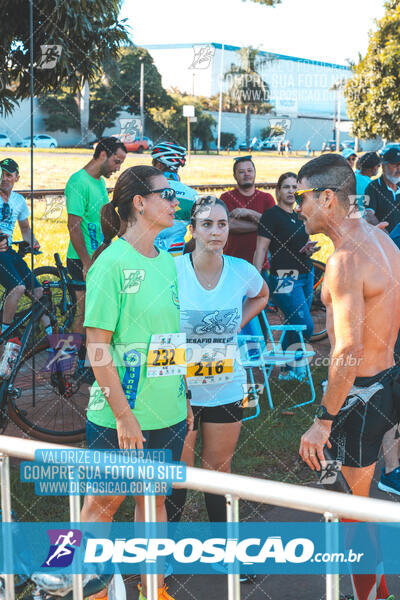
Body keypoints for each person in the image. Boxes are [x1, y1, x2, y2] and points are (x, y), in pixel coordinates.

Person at [86, 165, 192, 600]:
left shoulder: (167, 261)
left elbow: (170, 338)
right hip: (119, 416)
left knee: (154, 502)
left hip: (167, 410)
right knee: (102, 504)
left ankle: (156, 588)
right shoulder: (110, 263)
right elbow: (97, 349)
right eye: (165, 194)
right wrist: (124, 415)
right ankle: (89, 588)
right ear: (139, 203)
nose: (174, 202)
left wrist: (182, 396)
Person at [297, 153, 400, 600]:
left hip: (357, 396)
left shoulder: (344, 261)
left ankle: (375, 596)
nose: (298, 207)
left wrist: (322, 419)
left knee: (349, 510)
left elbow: (346, 350)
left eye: (302, 198)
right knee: (360, 503)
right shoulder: (383, 242)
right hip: (388, 381)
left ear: (327, 198)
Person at [166, 195, 268, 574]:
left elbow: (261, 295)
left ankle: (226, 556)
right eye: (206, 224)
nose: (215, 231)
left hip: (225, 385)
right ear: (193, 229)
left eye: (222, 224)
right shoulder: (171, 269)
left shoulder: (241, 271)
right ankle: (163, 557)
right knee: (179, 475)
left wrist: (236, 324)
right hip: (178, 387)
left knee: (218, 471)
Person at [65, 136, 127, 380]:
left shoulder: (100, 182)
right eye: (116, 161)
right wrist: (87, 262)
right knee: (81, 315)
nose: (117, 167)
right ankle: (62, 369)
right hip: (81, 260)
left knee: (97, 314)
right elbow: (74, 226)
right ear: (102, 155)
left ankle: (85, 366)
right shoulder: (78, 182)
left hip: (98, 257)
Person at [254, 172, 319, 381]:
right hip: (284, 276)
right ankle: (296, 362)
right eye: (286, 187)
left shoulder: (300, 214)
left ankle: (286, 370)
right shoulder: (271, 215)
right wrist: (256, 279)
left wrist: (307, 250)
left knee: (294, 322)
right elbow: (261, 249)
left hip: (306, 273)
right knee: (305, 324)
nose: (291, 191)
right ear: (278, 191)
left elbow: (298, 245)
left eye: (294, 187)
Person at [0, 158, 51, 336]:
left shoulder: (19, 201)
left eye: (8, 175)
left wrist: (33, 242)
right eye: (1, 174)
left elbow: (25, 229)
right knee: (18, 288)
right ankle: (5, 335)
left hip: (8, 251)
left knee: (38, 291)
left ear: (17, 178)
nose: (4, 178)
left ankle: (53, 337)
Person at [151, 142, 198, 256]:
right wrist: (183, 250)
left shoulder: (145, 191)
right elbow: (200, 236)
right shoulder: (192, 196)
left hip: (145, 258)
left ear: (160, 165)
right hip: (176, 261)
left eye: (153, 162)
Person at [364, 146, 400, 233]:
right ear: (383, 166)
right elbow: (368, 215)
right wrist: (384, 234)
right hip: (383, 242)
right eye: (395, 165)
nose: (399, 169)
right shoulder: (372, 187)